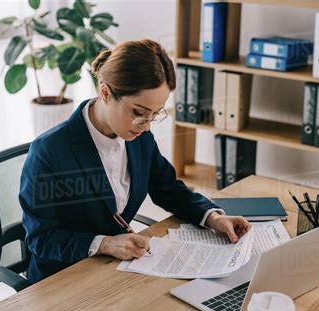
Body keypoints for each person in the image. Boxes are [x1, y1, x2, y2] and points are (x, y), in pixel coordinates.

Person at [19, 39, 252, 284]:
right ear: (106, 92)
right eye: (139, 113)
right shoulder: (49, 151)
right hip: (62, 279)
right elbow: (41, 238)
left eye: (155, 114)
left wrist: (213, 217)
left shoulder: (139, 137)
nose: (147, 125)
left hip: (114, 270)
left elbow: (169, 189)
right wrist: (105, 244)